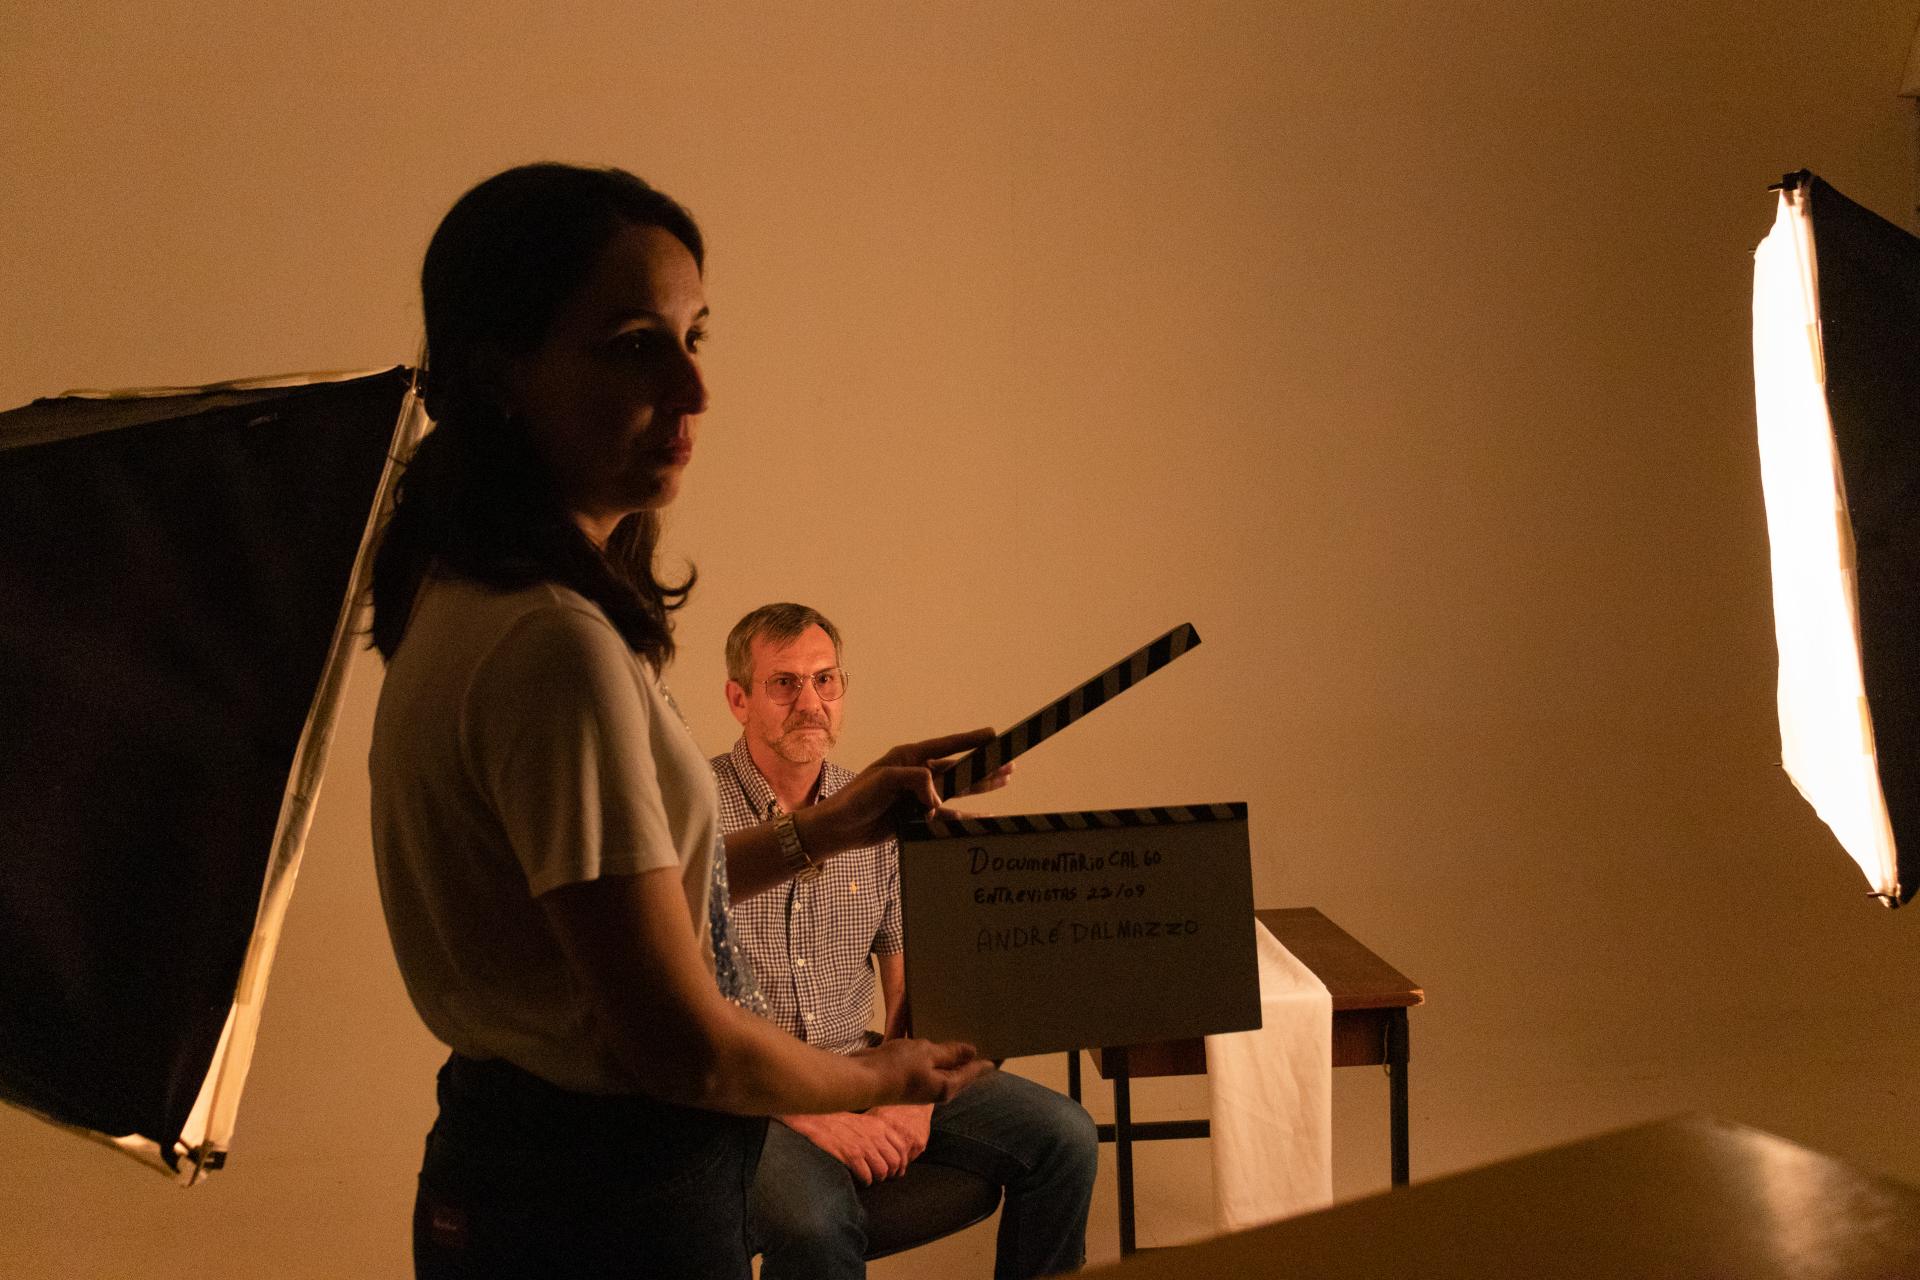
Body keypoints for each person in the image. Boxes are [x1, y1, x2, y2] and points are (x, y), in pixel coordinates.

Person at [365, 163, 1000, 1280]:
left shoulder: (464, 595)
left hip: (517, 1166)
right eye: (631, 344)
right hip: (602, 1205)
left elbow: (633, 907)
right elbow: (684, 1046)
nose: (693, 388)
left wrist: (836, 824)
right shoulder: (552, 646)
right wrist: (883, 1075)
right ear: (501, 371)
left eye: (694, 337)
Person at [713, 603, 1099, 1279]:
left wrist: (909, 1098)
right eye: (785, 684)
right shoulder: (694, 810)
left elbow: (910, 986)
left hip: (861, 1062)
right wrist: (811, 1113)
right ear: (738, 699)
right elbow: (682, 1024)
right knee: (817, 1222)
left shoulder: (873, 805)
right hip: (749, 1096)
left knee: (1066, 1137)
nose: (811, 702)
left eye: (825, 680)